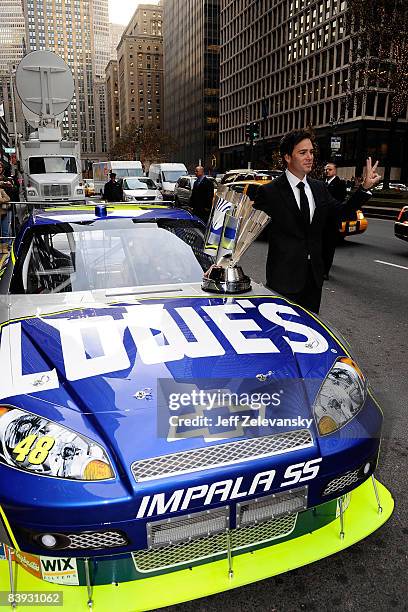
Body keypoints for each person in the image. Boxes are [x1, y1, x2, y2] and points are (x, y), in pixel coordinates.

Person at [253, 129, 381, 313]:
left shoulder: (319, 188)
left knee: (311, 336)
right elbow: (248, 231)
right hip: (283, 280)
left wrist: (364, 189)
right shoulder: (269, 192)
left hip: (313, 280)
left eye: (311, 152)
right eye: (303, 152)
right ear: (288, 157)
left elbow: (342, 212)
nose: (309, 157)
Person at [322, 162, 347, 280]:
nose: (327, 171)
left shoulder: (340, 184)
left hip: (332, 221)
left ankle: (325, 271)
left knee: (329, 247)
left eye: (330, 169)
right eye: (326, 169)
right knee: (321, 246)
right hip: (322, 220)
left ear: (335, 171)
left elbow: (340, 201)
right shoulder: (322, 183)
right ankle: (320, 266)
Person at [0, 161, 13, 254]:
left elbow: (11, 194)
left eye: (0, 167)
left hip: (5, 208)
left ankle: (5, 246)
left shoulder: (6, 179)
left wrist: (9, 185)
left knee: (5, 229)